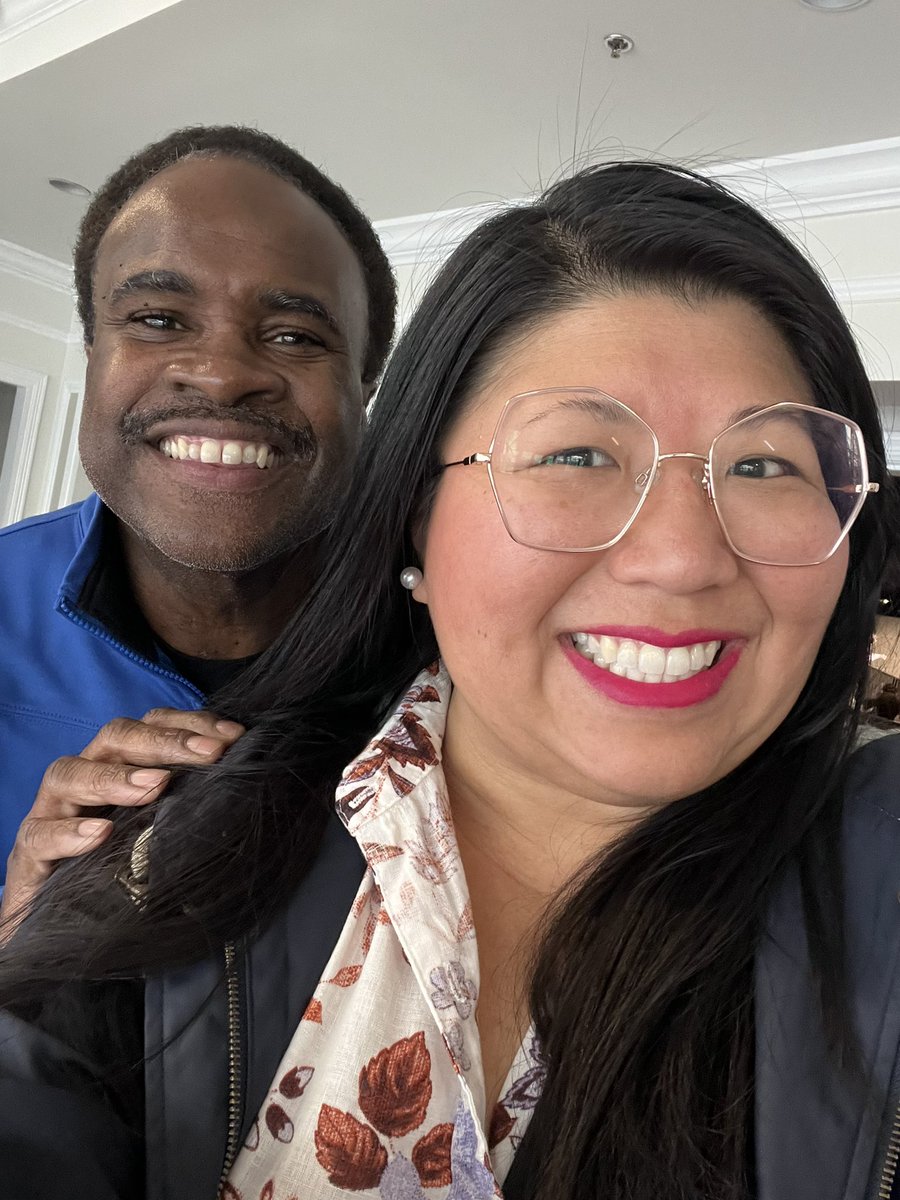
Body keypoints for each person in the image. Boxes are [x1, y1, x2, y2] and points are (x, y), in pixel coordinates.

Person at [0, 160, 897, 1200]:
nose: (684, 558)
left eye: (765, 465)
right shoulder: (172, 861)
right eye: (576, 455)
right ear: (414, 518)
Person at [0, 125, 396, 902]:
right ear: (92, 350)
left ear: (364, 385)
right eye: (158, 320)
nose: (219, 376)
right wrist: (18, 933)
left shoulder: (454, 642)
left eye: (294, 335)